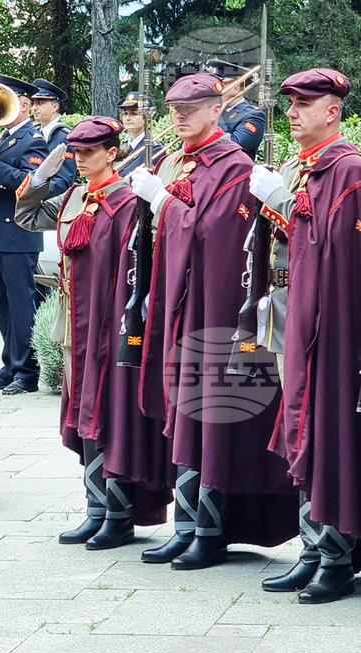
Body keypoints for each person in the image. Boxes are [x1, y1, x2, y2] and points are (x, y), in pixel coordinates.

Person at [130, 73, 297, 570]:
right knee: (187, 413)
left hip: (217, 310)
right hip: (187, 305)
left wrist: (163, 203)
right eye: (174, 107)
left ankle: (210, 530)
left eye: (193, 106)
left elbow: (214, 235)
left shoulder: (233, 166)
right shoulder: (187, 162)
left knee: (213, 419)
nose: (180, 115)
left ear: (216, 108)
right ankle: (186, 526)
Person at [14, 117, 172, 549]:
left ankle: (118, 516)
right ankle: (96, 509)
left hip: (108, 324)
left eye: (89, 152)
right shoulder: (73, 197)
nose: (81, 160)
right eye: (76, 153)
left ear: (111, 153)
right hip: (74, 326)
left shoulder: (125, 203)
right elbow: (27, 217)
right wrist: (43, 174)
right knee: (82, 412)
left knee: (108, 414)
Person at [250, 68, 361, 604]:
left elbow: (341, 253)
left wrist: (287, 204)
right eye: (290, 104)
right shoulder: (306, 168)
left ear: (331, 111)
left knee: (328, 433)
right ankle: (313, 549)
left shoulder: (350, 170)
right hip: (300, 323)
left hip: (335, 330)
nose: (292, 114)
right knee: (301, 427)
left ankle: (336, 559)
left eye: (302, 105)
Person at [0, 75, 50, 396]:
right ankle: (10, 363)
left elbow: (37, 184)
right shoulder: (0, 139)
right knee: (2, 305)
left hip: (16, 233)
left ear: (24, 104)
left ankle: (28, 371)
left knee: (20, 305)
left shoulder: (34, 140)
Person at [205, 59, 265, 160]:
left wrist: (216, 115)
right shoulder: (207, 111)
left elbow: (232, 147)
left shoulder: (253, 115)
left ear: (236, 88)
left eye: (219, 85)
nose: (213, 90)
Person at [30, 79, 76, 195]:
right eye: (33, 103)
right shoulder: (33, 134)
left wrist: (32, 193)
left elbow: (63, 182)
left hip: (48, 205)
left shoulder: (65, 137)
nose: (34, 108)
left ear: (55, 107)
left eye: (40, 103)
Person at [116, 91, 166, 178]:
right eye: (125, 113)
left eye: (134, 113)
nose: (127, 118)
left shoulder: (154, 149)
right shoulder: (122, 147)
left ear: (147, 118)